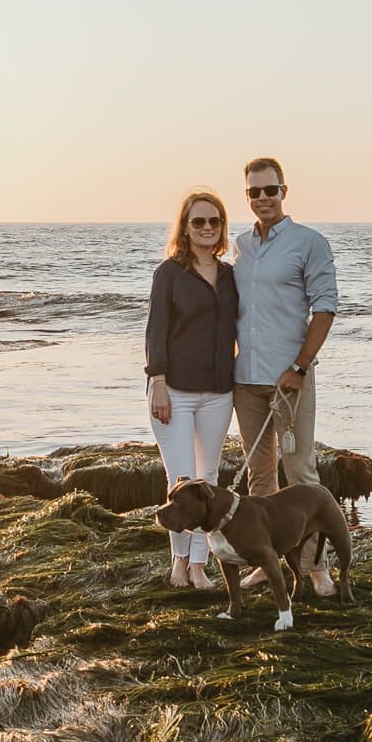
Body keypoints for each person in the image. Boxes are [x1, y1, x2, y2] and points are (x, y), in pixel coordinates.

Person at [230, 156, 338, 593]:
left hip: (289, 380)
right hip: (245, 379)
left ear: (283, 192)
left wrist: (299, 367)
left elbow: (325, 307)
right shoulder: (239, 245)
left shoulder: (309, 243)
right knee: (259, 477)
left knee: (300, 473)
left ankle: (316, 566)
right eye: (254, 192)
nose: (262, 199)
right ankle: (265, 560)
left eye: (269, 190)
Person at [145, 188, 238, 590]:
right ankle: (179, 562)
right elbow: (156, 330)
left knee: (209, 480)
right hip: (175, 390)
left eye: (213, 221)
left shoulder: (230, 275)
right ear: (185, 227)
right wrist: (158, 382)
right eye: (197, 221)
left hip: (219, 390)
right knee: (181, 479)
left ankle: (201, 565)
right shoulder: (169, 273)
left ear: (221, 228)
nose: (206, 227)